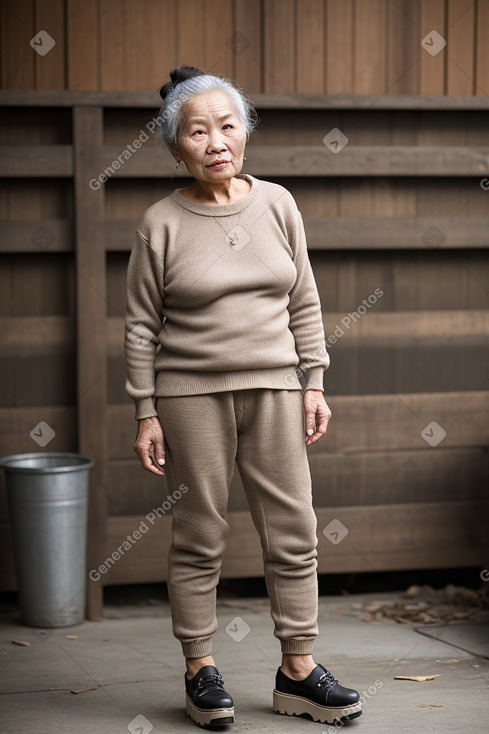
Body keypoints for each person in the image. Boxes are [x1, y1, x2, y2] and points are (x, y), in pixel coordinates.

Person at [124, 65, 361, 729]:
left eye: (226, 125)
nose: (215, 140)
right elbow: (141, 325)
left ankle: (298, 672)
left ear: (245, 133)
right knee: (200, 533)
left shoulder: (278, 205)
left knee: (294, 529)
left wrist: (314, 380)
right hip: (189, 395)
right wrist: (144, 409)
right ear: (176, 148)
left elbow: (303, 298)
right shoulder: (159, 223)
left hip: (276, 389)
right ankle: (201, 669)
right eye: (196, 131)